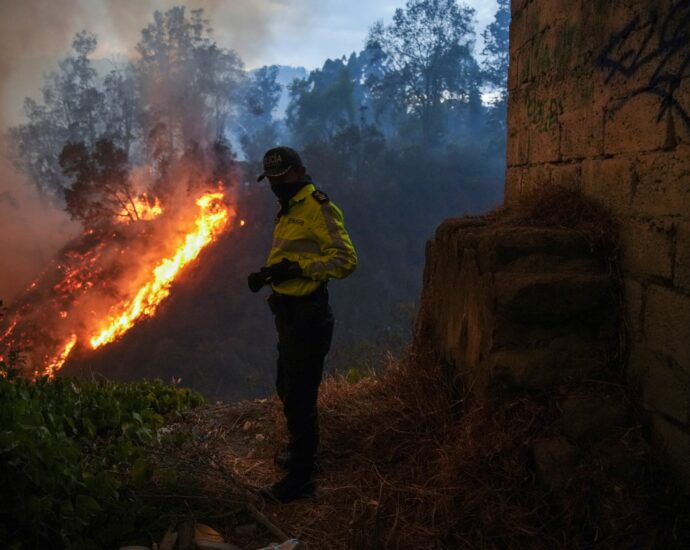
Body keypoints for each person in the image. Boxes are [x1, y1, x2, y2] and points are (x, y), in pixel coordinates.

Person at [248, 146, 357, 503]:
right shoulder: (289, 209)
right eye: (272, 180)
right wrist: (269, 275)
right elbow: (294, 254)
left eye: (283, 177)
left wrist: (299, 270)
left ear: (299, 171)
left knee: (300, 395)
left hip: (309, 314)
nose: (277, 184)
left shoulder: (318, 207)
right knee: (287, 385)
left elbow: (344, 260)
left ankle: (302, 478)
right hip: (288, 312)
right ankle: (301, 455)